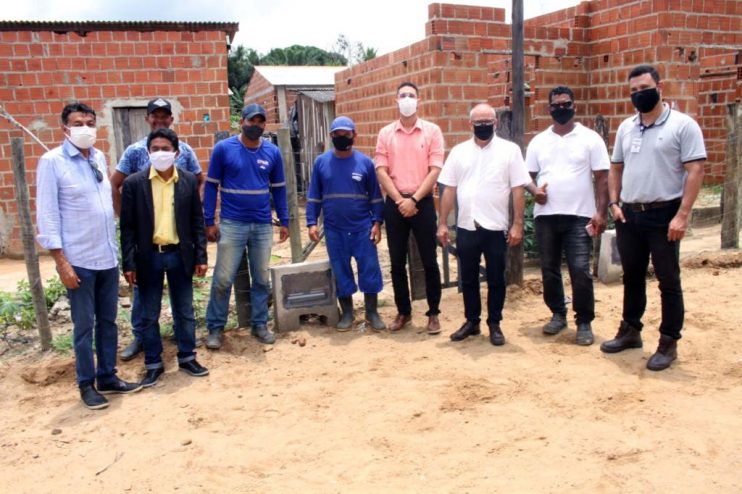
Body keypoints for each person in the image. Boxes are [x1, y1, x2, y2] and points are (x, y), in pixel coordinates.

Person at [36, 102, 142, 410]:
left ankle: (107, 375)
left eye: (89, 123)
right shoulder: (52, 162)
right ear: (65, 129)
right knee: (84, 325)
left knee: (108, 321)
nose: (85, 128)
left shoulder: (97, 157)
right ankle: (86, 383)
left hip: (106, 258)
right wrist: (62, 262)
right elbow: (48, 215)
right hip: (78, 260)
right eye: (78, 123)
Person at [603, 64, 706, 371]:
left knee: (668, 280)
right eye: (633, 90)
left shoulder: (682, 125)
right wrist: (613, 203)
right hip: (630, 214)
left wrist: (683, 215)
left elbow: (695, 170)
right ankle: (631, 330)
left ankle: (668, 341)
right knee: (632, 277)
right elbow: (615, 168)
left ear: (660, 87)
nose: (639, 94)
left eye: (644, 88)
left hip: (665, 214)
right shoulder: (627, 127)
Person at [113, 98, 204, 361]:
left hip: (179, 249)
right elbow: (126, 221)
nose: (160, 153)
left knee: (184, 309)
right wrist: (126, 216)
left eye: (165, 116)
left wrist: (199, 252)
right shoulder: (133, 158)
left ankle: (186, 355)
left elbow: (197, 194)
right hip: (148, 252)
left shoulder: (186, 156)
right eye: (156, 115)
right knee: (146, 309)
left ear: (176, 153)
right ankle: (149, 355)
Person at [437, 103, 530, 346]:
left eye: (488, 122)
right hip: (467, 226)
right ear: (470, 125)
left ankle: (495, 323)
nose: (483, 126)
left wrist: (517, 224)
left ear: (496, 123)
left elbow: (518, 189)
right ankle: (472, 321)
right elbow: (449, 189)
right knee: (467, 278)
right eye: (478, 123)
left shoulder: (510, 151)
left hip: (495, 228)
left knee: (497, 278)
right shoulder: (458, 152)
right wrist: (442, 224)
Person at [525, 86, 610, 346]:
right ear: (549, 108)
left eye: (566, 104)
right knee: (549, 270)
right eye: (556, 105)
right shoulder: (539, 141)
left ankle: (583, 321)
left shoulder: (590, 138)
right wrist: (535, 192)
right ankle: (558, 314)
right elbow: (527, 177)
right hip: (546, 216)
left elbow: (602, 177)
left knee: (579, 270)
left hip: (579, 217)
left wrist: (600, 211)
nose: (561, 108)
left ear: (574, 105)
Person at [203, 103, 289, 349]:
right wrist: (209, 220)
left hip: (262, 224)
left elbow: (279, 189)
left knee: (261, 278)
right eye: (252, 121)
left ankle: (259, 324)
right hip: (232, 223)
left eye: (261, 122)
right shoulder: (224, 149)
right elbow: (210, 186)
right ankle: (215, 329)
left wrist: (284, 220)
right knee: (223, 278)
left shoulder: (272, 153)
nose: (256, 126)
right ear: (242, 122)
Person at [375, 81, 444, 335]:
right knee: (396, 262)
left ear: (418, 100)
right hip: (394, 204)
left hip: (422, 202)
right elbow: (381, 170)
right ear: (396, 100)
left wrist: (414, 200)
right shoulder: (385, 134)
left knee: (429, 261)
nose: (406, 99)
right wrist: (399, 200)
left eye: (411, 95)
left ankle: (434, 313)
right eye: (402, 95)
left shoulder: (432, 131)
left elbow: (435, 169)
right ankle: (403, 311)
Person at [306, 116, 386, 331]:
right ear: (331, 136)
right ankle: (348, 313)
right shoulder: (321, 163)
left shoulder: (365, 163)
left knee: (369, 269)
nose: (342, 137)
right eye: (337, 134)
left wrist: (377, 222)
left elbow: (376, 197)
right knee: (341, 271)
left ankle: (372, 312)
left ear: (354, 135)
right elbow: (314, 195)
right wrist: (311, 222)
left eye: (346, 133)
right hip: (334, 229)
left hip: (362, 228)